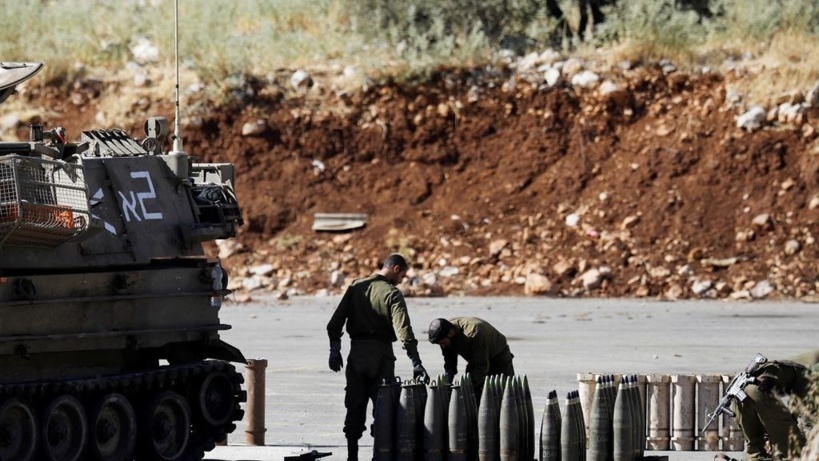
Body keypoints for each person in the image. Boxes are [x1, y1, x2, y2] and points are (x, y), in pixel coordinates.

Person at [326, 253, 428, 461]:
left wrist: (335, 350)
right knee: (384, 408)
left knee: (354, 405)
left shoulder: (356, 287)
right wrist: (416, 362)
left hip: (356, 356)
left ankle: (352, 456)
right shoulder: (392, 294)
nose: (401, 281)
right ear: (396, 268)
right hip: (381, 356)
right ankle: (379, 455)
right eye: (403, 276)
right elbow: (404, 333)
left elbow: (334, 323)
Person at [731, 350, 819, 461]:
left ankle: (754, 456)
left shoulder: (806, 362)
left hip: (742, 392)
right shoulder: (814, 372)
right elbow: (808, 418)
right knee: (795, 451)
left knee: (754, 449)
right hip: (759, 389)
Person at [427, 317, 515, 398]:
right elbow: (450, 360)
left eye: (443, 343)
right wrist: (448, 379)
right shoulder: (444, 332)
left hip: (498, 357)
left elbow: (481, 366)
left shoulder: (473, 332)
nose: (442, 346)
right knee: (473, 394)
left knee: (502, 393)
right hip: (476, 358)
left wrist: (466, 387)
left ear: (451, 333)